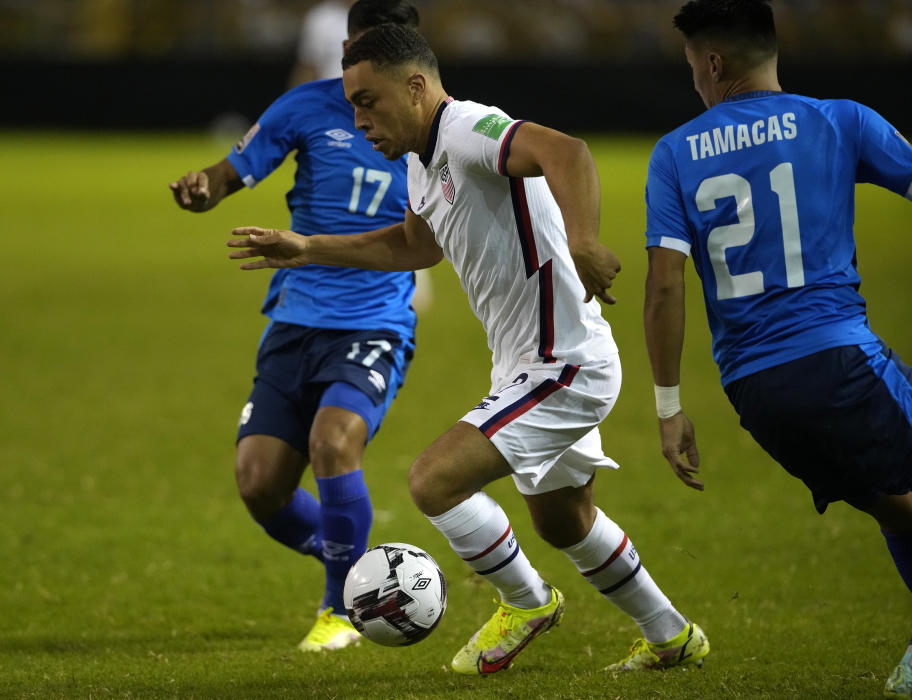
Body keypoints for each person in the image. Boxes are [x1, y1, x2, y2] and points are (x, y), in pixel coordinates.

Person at [228, 23, 709, 675]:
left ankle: (527, 601)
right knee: (565, 522)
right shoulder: (421, 163)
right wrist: (308, 246)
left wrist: (585, 240)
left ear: (417, 87)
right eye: (350, 104)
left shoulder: (467, 130)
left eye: (368, 101)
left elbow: (566, 152)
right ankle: (671, 634)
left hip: (562, 363)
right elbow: (412, 246)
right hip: (527, 361)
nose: (357, 118)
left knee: (433, 482)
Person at [641, 1, 912, 697]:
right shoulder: (840, 120)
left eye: (690, 67)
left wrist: (670, 407)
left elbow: (664, 288)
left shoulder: (674, 152)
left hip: (757, 394)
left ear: (713, 63)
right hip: (842, 361)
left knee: (890, 498)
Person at [169, 0, 421, 653]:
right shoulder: (305, 106)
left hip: (374, 320)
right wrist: (205, 187)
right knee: (258, 483)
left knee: (333, 445)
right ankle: (362, 564)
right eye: (348, 59)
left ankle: (343, 607)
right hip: (294, 318)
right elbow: (232, 170)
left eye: (368, 64)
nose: (353, 78)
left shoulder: (432, 129)